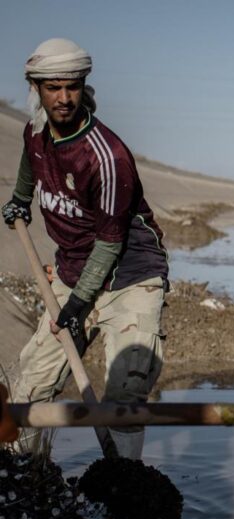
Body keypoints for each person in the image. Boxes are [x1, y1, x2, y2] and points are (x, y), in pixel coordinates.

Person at [1, 38, 169, 460]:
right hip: (74, 269)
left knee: (123, 395)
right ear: (35, 88)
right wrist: (21, 199)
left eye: (71, 87)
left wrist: (76, 308)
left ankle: (124, 486)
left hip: (131, 277)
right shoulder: (35, 132)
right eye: (53, 87)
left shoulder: (106, 157)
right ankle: (22, 473)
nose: (63, 97)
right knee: (31, 388)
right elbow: (31, 162)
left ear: (84, 86)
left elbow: (111, 243)